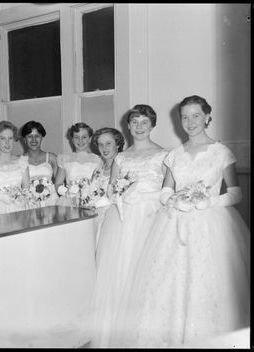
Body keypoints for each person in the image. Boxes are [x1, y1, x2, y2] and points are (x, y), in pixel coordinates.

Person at [109, 95, 250, 347]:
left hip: (210, 224)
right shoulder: (174, 154)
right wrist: (173, 198)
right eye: (185, 117)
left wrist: (208, 202)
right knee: (167, 283)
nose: (190, 121)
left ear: (208, 117)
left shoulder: (221, 152)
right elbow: (166, 189)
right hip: (174, 222)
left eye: (196, 115)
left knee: (206, 281)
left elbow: (236, 193)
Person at [90, 104, 168, 347]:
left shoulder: (164, 154)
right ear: (128, 126)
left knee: (147, 271)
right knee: (121, 269)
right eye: (135, 122)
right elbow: (113, 190)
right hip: (123, 218)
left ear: (152, 125)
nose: (139, 127)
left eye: (145, 122)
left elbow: (168, 190)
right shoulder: (121, 157)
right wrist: (122, 194)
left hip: (151, 216)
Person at [54, 122, 102, 207]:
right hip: (69, 202)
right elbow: (58, 184)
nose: (80, 140)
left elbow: (99, 183)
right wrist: (68, 193)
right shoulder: (65, 159)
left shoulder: (98, 160)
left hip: (91, 201)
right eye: (76, 137)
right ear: (72, 139)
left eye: (84, 137)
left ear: (90, 138)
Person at [91, 127, 125, 246]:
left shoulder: (123, 166)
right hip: (95, 216)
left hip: (112, 218)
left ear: (118, 144)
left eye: (108, 143)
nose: (104, 148)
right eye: (100, 144)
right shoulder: (99, 167)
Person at [20, 121, 59, 208]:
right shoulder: (19, 160)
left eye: (37, 136)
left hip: (51, 202)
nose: (34, 140)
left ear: (42, 138)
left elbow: (59, 184)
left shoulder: (52, 158)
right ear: (24, 139)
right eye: (30, 136)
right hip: (29, 204)